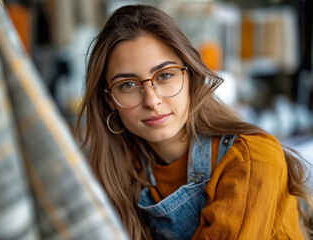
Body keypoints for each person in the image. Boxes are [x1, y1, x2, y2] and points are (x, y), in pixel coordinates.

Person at [75, 4, 313, 240]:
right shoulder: (119, 171)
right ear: (110, 100)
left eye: (165, 75)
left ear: (190, 76)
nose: (152, 100)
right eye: (127, 84)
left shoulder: (253, 159)